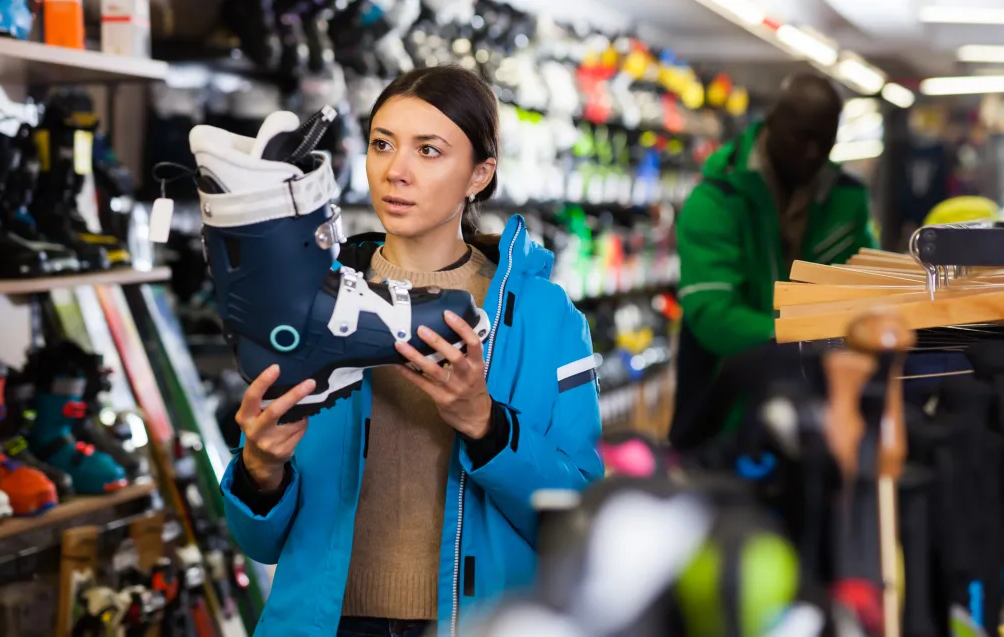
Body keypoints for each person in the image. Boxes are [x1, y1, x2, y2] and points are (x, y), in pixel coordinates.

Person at [220, 65, 604, 637]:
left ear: (480, 173)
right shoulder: (306, 301)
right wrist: (259, 468)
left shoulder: (546, 318)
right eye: (382, 144)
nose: (396, 171)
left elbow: (577, 518)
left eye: (429, 150)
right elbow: (260, 541)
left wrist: (486, 424)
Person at [670, 72, 878, 449]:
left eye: (825, 139)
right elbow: (712, 313)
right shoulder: (716, 199)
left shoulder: (847, 199)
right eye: (802, 136)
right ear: (771, 123)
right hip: (724, 409)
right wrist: (803, 338)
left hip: (821, 405)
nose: (813, 152)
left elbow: (862, 284)